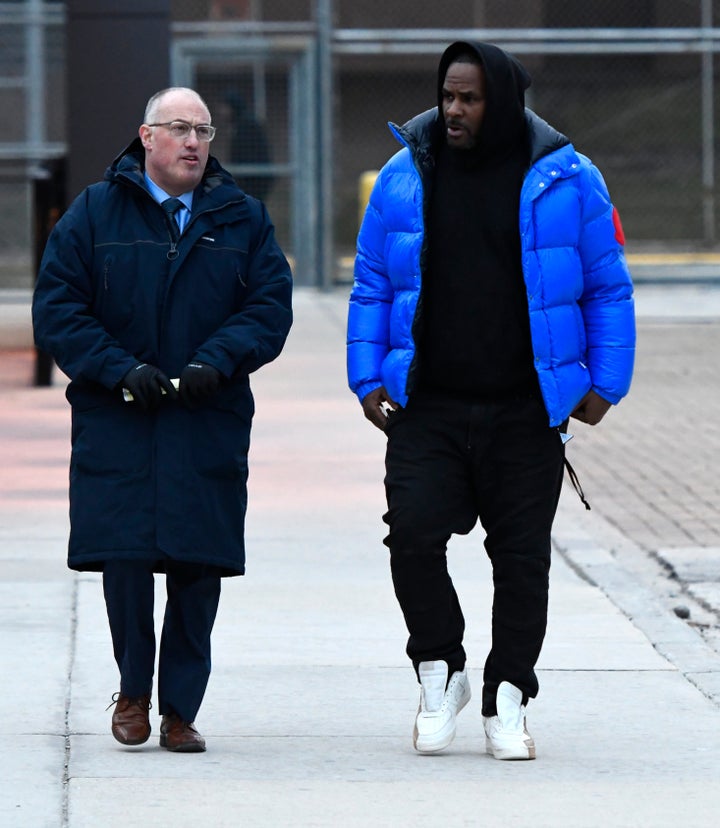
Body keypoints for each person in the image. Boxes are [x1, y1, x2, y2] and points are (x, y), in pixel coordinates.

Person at [347, 42, 635, 760]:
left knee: (521, 559)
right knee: (412, 536)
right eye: (447, 95)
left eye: (468, 98)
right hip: (429, 405)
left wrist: (605, 385)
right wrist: (366, 380)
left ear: (501, 101)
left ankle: (509, 695)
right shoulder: (403, 175)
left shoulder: (569, 179)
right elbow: (373, 283)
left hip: (524, 409)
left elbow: (607, 285)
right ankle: (439, 667)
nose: (452, 109)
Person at [32, 87, 293, 753]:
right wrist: (118, 370)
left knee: (197, 564)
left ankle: (181, 708)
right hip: (119, 414)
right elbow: (59, 308)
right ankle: (132, 690)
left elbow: (267, 309)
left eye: (203, 130)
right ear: (146, 137)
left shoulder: (241, 218)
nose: (194, 142)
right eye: (179, 128)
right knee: (123, 555)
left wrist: (216, 362)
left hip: (206, 416)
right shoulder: (94, 212)